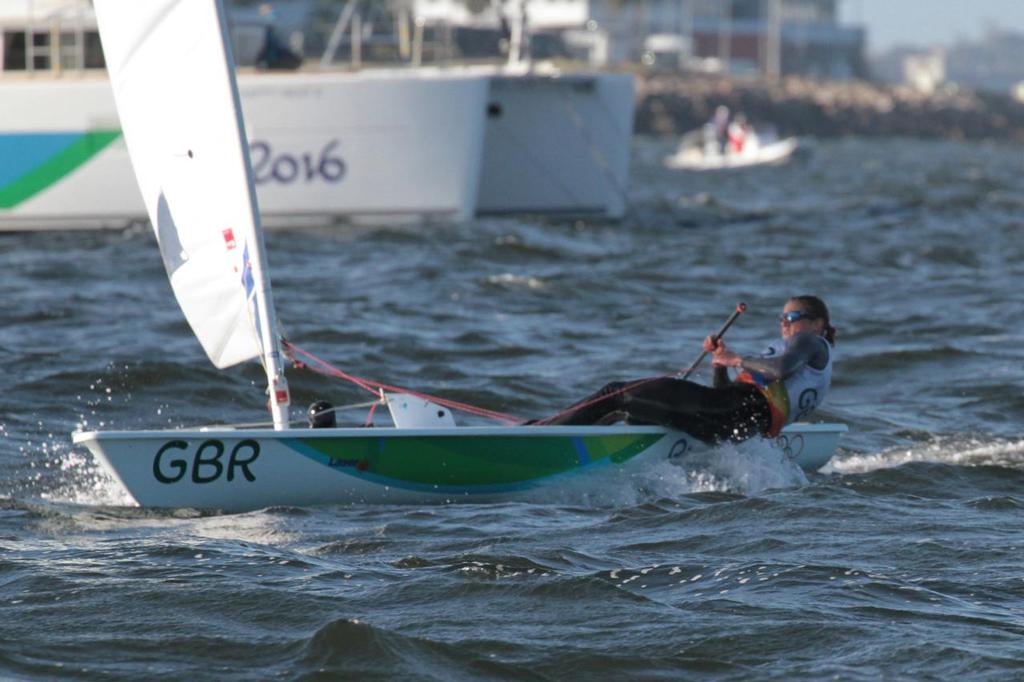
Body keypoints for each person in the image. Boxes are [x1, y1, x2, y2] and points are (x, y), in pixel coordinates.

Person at [534, 296, 836, 444]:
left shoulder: (812, 342)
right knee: (632, 411)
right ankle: (570, 444)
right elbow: (723, 398)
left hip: (734, 413)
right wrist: (719, 362)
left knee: (616, 393)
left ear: (817, 324)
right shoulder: (808, 358)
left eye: (794, 316)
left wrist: (736, 359)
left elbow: (779, 369)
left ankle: (540, 436)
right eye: (782, 317)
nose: (785, 323)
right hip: (732, 426)